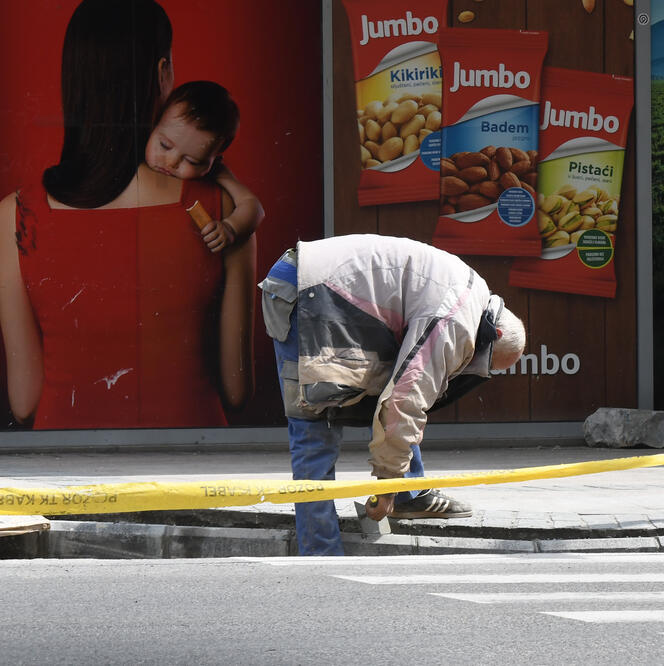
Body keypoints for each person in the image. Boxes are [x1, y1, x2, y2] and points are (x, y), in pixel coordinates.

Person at [0, 0, 256, 429]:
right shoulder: (220, 210)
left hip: (71, 483)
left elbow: (24, 401)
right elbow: (237, 389)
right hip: (192, 472)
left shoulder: (16, 216)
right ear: (162, 74)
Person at [259, 235, 526, 556]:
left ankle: (408, 495)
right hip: (305, 288)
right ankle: (321, 555)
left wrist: (392, 480)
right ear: (490, 335)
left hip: (330, 291)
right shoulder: (454, 322)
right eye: (481, 363)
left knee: (399, 384)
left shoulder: (476, 296)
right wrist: (385, 484)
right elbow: (406, 399)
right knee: (315, 427)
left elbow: (404, 388)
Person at [145, 80, 265, 252]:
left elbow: (254, 206)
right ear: (154, 125)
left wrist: (230, 228)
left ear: (213, 159)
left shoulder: (216, 172)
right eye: (165, 145)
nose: (172, 162)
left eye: (192, 161)